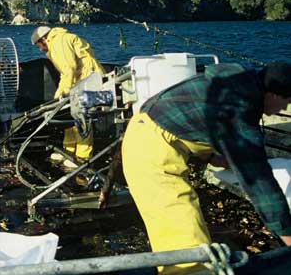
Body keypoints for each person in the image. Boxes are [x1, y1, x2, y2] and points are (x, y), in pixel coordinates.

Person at [121, 62, 291, 274]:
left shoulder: (238, 80)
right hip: (147, 149)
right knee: (184, 239)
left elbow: (197, 116)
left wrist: (212, 156)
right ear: (274, 94)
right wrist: (287, 235)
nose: (284, 109)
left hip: (152, 127)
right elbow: (259, 182)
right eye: (287, 102)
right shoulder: (238, 110)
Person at [31, 26, 104, 166]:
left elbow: (68, 69)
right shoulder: (57, 42)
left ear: (44, 39)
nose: (40, 49)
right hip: (79, 81)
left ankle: (82, 158)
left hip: (89, 81)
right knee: (67, 115)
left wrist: (62, 92)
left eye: (39, 45)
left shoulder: (59, 41)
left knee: (81, 116)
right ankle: (68, 151)